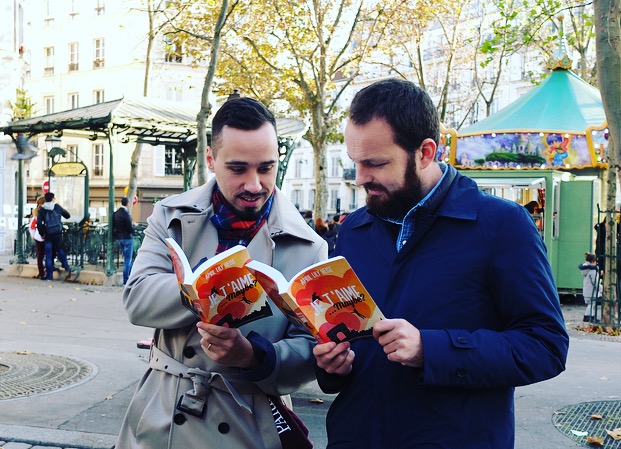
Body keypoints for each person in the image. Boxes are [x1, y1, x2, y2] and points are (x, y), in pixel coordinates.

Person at [312, 79, 569, 449]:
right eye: (356, 163)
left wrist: (431, 350)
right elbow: (351, 346)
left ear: (425, 153)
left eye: (375, 163)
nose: (360, 178)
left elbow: (546, 347)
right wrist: (332, 367)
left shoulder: (502, 225)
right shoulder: (354, 229)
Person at [116, 97, 328, 449]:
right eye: (238, 168)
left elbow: (309, 352)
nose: (255, 184)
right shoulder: (169, 215)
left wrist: (252, 356)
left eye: (266, 168)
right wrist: (205, 286)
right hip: (164, 414)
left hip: (250, 421)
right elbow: (137, 300)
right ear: (211, 160)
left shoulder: (308, 245)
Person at [37, 192, 72, 280]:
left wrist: (42, 234)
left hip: (48, 234)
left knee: (48, 254)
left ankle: (49, 275)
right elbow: (67, 215)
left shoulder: (42, 210)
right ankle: (66, 266)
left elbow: (39, 223)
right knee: (59, 249)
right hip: (57, 233)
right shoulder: (57, 207)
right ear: (53, 199)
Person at [113, 197, 135, 285]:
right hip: (127, 238)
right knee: (128, 260)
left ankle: (131, 277)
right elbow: (129, 228)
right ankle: (126, 280)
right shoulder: (126, 214)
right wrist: (133, 230)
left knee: (127, 259)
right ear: (127, 204)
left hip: (119, 238)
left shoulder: (116, 214)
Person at [579, 252, 602, 323]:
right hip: (591, 291)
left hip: (587, 290)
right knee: (592, 304)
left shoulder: (586, 270)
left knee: (590, 304)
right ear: (593, 262)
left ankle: (588, 317)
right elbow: (595, 282)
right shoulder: (592, 271)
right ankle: (589, 317)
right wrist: (600, 288)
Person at [29, 196, 46, 280]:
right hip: (44, 237)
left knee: (40, 255)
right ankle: (45, 271)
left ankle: (42, 272)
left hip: (38, 237)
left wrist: (33, 235)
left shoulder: (36, 214)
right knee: (47, 254)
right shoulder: (44, 213)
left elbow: (31, 227)